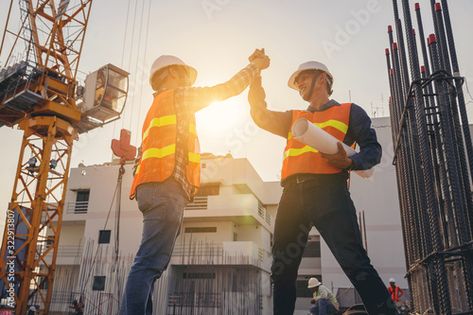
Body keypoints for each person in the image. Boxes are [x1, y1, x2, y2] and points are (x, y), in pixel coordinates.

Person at [120, 51, 270, 315]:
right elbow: (226, 90)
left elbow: (141, 158)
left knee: (151, 267)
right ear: (170, 75)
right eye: (183, 76)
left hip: (153, 189)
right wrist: (253, 66)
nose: (187, 82)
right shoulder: (177, 97)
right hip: (166, 188)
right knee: (148, 264)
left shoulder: (155, 111)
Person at [248, 57, 398, 315]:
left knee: (355, 263)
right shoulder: (294, 118)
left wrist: (351, 161)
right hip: (292, 195)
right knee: (282, 270)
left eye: (302, 78)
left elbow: (373, 150)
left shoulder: (350, 111)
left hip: (330, 192)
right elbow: (259, 115)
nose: (298, 85)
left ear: (322, 79)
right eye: (296, 82)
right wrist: (256, 76)